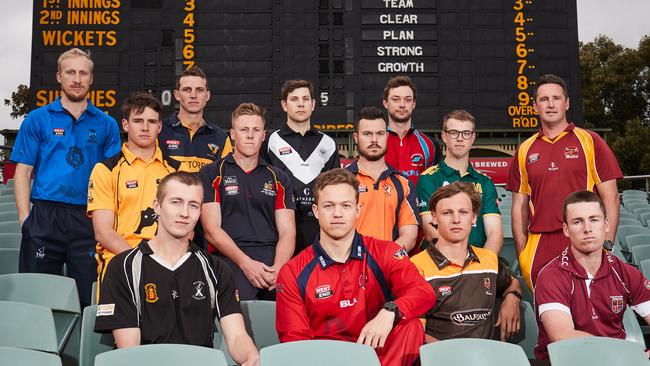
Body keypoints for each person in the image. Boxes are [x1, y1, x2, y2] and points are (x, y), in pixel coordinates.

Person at [94, 172, 260, 366]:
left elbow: (237, 336)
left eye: (193, 205)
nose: (185, 213)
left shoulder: (216, 269)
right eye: (176, 202)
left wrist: (251, 356)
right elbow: (130, 351)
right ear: (157, 206)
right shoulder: (123, 267)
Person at [276, 168, 435, 366]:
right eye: (328, 206)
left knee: (410, 326)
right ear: (316, 211)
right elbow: (296, 343)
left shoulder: (384, 251)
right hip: (325, 361)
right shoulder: (293, 272)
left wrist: (391, 310)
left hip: (377, 356)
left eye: (346, 205)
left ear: (357, 210)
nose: (337, 214)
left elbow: (423, 292)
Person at [10, 48, 121, 306]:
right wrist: (26, 219)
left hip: (88, 218)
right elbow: (23, 173)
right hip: (44, 218)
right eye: (70, 72)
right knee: (35, 298)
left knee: (88, 299)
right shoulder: (37, 119)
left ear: (92, 79)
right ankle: (33, 347)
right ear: (59, 76)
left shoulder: (107, 124)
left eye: (84, 73)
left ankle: (83, 347)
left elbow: (113, 177)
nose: (77, 79)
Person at [507, 74, 622, 289]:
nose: (550, 105)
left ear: (566, 103)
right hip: (539, 244)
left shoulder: (590, 141)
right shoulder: (524, 150)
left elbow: (611, 198)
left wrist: (606, 244)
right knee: (548, 318)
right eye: (544, 99)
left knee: (587, 316)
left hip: (582, 239)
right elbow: (519, 208)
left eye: (556, 98)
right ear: (535, 106)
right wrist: (523, 253)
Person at [534, 190, 650, 360]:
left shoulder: (626, 273)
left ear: (606, 225)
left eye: (594, 220)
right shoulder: (551, 276)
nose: (587, 229)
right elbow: (562, 336)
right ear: (566, 229)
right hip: (566, 361)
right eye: (577, 222)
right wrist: (624, 355)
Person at [200, 103, 295, 301]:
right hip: (229, 259)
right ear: (233, 134)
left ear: (263, 135)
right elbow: (211, 230)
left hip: (272, 261)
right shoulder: (211, 173)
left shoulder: (279, 178)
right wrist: (246, 264)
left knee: (287, 309)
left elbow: (288, 232)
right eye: (244, 130)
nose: (250, 135)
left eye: (256, 130)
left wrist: (278, 269)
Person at [88, 93, 179, 291]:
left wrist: (162, 261)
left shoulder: (176, 172)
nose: (145, 127)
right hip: (120, 259)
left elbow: (186, 230)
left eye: (151, 121)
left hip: (168, 260)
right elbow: (103, 233)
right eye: (138, 121)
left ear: (160, 127)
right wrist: (142, 261)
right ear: (125, 124)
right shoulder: (105, 170)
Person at [411, 182, 521, 342]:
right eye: (447, 213)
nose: (456, 220)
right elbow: (414, 332)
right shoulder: (416, 266)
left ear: (474, 217)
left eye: (463, 212)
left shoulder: (489, 259)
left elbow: (512, 282)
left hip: (486, 357)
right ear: (434, 218)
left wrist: (513, 297)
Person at [263, 80, 340, 255]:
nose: (300, 104)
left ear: (313, 104)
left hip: (318, 227)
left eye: (305, 99)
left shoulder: (327, 144)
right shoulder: (270, 141)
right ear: (284, 105)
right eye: (294, 99)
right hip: (280, 225)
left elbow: (335, 189)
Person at [417, 110, 502, 254]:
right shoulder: (429, 178)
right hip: (441, 262)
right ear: (444, 136)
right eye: (454, 132)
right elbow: (429, 229)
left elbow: (495, 233)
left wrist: (483, 265)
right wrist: (458, 260)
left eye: (466, 133)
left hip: (478, 262)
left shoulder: (485, 182)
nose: (460, 139)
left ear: (473, 137)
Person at [346, 106, 419, 251]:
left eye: (379, 133)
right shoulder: (341, 181)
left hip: (387, 268)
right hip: (350, 267)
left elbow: (409, 237)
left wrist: (383, 259)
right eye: (367, 134)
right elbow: (332, 231)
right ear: (356, 137)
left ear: (386, 136)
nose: (374, 140)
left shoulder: (403, 184)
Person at [159, 66, 232, 173]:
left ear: (207, 96)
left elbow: (226, 178)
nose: (193, 95)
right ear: (177, 95)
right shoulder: (159, 131)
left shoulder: (221, 137)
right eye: (187, 90)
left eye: (199, 90)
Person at [382, 75, 442, 187]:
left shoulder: (430, 145)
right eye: (396, 99)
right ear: (386, 103)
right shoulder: (376, 142)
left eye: (407, 100)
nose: (402, 105)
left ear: (413, 104)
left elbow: (436, 187)